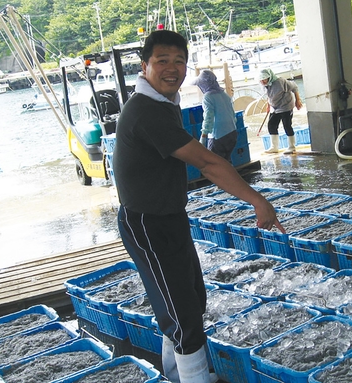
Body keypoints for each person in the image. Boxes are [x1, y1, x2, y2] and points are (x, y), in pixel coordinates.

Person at [113, 30, 284, 383]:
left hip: (169, 215)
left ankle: (179, 374)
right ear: (145, 66)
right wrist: (259, 201)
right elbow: (210, 164)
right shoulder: (147, 111)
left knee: (189, 300)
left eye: (179, 62)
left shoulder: (162, 100)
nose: (172, 69)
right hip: (146, 222)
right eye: (162, 61)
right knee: (183, 314)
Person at [192, 70, 238, 162]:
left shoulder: (207, 97)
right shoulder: (224, 94)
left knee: (215, 164)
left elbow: (209, 117)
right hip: (232, 132)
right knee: (226, 162)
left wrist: (204, 135)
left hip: (218, 136)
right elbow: (233, 114)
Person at [259, 68, 303, 154]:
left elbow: (294, 87)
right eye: (261, 79)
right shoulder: (264, 85)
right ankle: (274, 147)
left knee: (287, 125)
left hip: (285, 105)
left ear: (269, 77)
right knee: (271, 125)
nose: (262, 81)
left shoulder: (280, 81)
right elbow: (269, 95)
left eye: (264, 79)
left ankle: (292, 147)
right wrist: (268, 106)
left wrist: (298, 100)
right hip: (274, 107)